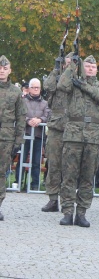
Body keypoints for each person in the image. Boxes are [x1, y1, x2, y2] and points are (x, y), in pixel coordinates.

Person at [57, 55, 99, 227]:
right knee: (69, 175)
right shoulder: (73, 82)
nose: (90, 68)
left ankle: (81, 212)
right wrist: (72, 66)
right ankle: (67, 211)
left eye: (93, 66)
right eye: (87, 66)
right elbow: (61, 85)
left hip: (93, 136)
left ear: (96, 69)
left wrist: (84, 85)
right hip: (74, 134)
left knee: (88, 177)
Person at [41, 52, 73, 212]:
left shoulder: (76, 79)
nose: (67, 65)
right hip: (56, 127)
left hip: (72, 128)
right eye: (65, 63)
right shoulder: (57, 76)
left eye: (70, 63)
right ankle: (53, 199)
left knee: (70, 167)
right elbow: (47, 86)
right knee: (53, 164)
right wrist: (55, 69)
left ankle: (68, 200)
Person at [0, 56, 26, 220]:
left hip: (6, 138)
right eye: (0, 68)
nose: (1, 71)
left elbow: (21, 117)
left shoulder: (15, 92)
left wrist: (18, 140)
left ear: (10, 71)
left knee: (1, 173)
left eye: (5, 68)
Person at [16, 78, 50, 190]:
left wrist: (40, 120)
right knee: (22, 159)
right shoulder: (23, 101)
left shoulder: (45, 103)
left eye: (38, 87)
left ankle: (35, 185)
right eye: (33, 87)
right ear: (29, 88)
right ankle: (18, 183)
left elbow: (48, 116)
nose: (36, 89)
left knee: (36, 161)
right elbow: (19, 113)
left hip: (38, 135)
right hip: (25, 134)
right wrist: (28, 120)